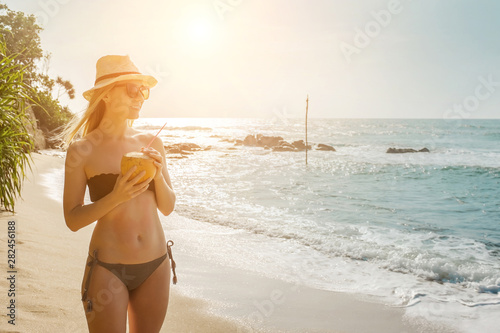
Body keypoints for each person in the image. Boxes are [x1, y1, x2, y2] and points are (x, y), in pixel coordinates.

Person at [62, 55, 177, 333]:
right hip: (108, 267)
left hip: (156, 264)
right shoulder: (81, 151)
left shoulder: (150, 143)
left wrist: (158, 174)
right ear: (106, 95)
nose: (139, 97)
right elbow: (73, 220)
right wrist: (116, 196)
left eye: (142, 90)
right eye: (131, 89)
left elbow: (168, 206)